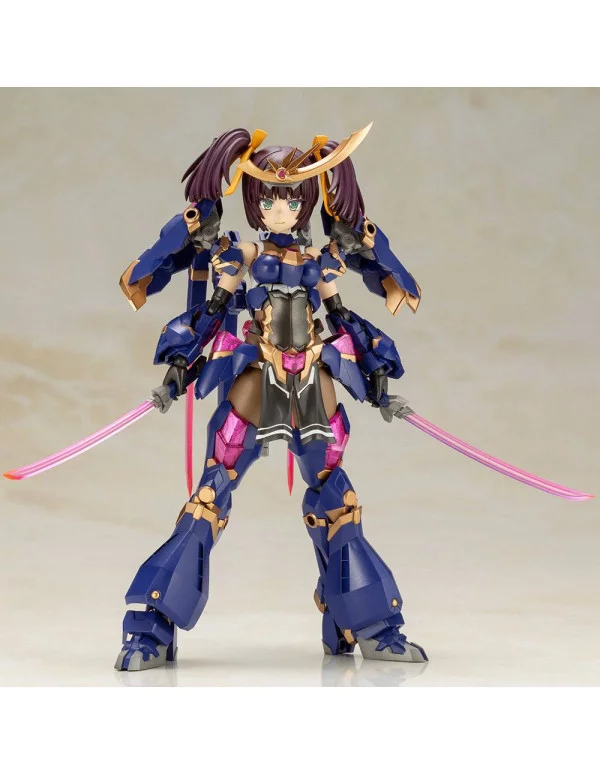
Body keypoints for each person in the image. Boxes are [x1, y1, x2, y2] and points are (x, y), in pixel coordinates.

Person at [115, 124, 427, 671]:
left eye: (291, 199)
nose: (280, 209)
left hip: (313, 384)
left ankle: (368, 623)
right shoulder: (243, 254)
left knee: (338, 501)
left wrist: (379, 383)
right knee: (211, 494)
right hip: (256, 381)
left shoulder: (322, 263)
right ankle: (152, 625)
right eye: (269, 199)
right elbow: (212, 311)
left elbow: (343, 318)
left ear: (307, 203)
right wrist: (178, 369)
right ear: (254, 201)